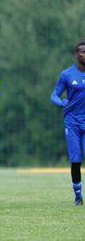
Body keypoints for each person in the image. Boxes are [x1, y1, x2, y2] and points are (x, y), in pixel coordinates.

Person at [51, 41, 85, 206]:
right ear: (77, 54)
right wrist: (61, 103)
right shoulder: (67, 74)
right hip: (72, 122)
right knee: (75, 159)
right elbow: (54, 95)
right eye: (83, 51)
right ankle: (78, 196)